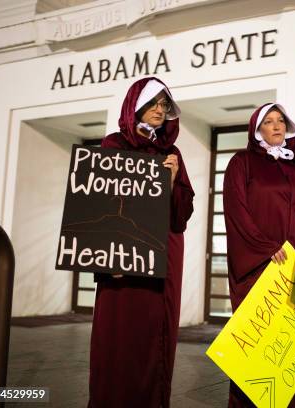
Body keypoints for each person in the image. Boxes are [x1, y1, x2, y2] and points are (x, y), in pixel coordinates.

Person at [88, 77, 194, 408]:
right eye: (153, 104)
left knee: (154, 336)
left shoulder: (172, 153)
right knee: (118, 336)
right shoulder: (113, 144)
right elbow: (100, 202)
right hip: (123, 258)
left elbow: (182, 216)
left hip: (162, 256)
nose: (159, 111)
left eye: (164, 105)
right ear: (136, 106)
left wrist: (174, 181)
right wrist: (108, 259)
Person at [223, 103, 295, 407]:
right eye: (269, 122)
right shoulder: (242, 162)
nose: (277, 126)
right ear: (257, 129)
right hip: (259, 268)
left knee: (288, 352)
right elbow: (237, 211)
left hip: (294, 270)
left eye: (281, 121)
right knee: (258, 351)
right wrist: (265, 247)